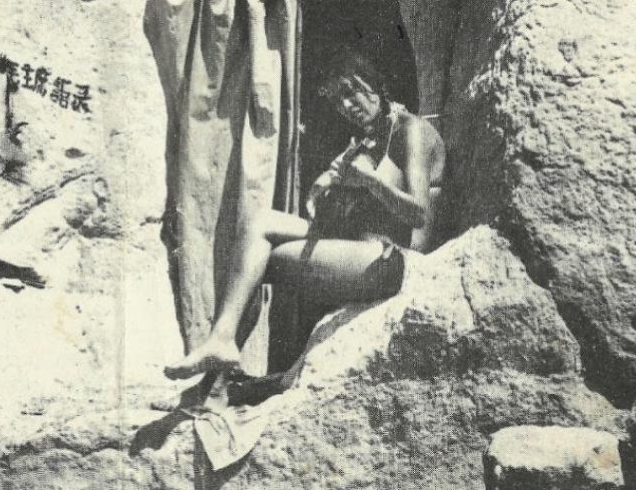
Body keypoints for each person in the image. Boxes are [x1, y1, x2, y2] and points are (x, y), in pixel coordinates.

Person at [164, 49, 445, 380]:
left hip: (395, 264)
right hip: (364, 251)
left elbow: (419, 215)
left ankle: (214, 386)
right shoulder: (374, 137)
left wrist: (369, 181)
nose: (346, 106)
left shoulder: (412, 131)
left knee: (257, 262)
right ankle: (221, 341)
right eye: (337, 101)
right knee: (259, 224)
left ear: (374, 85)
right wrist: (326, 189)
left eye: (350, 92)